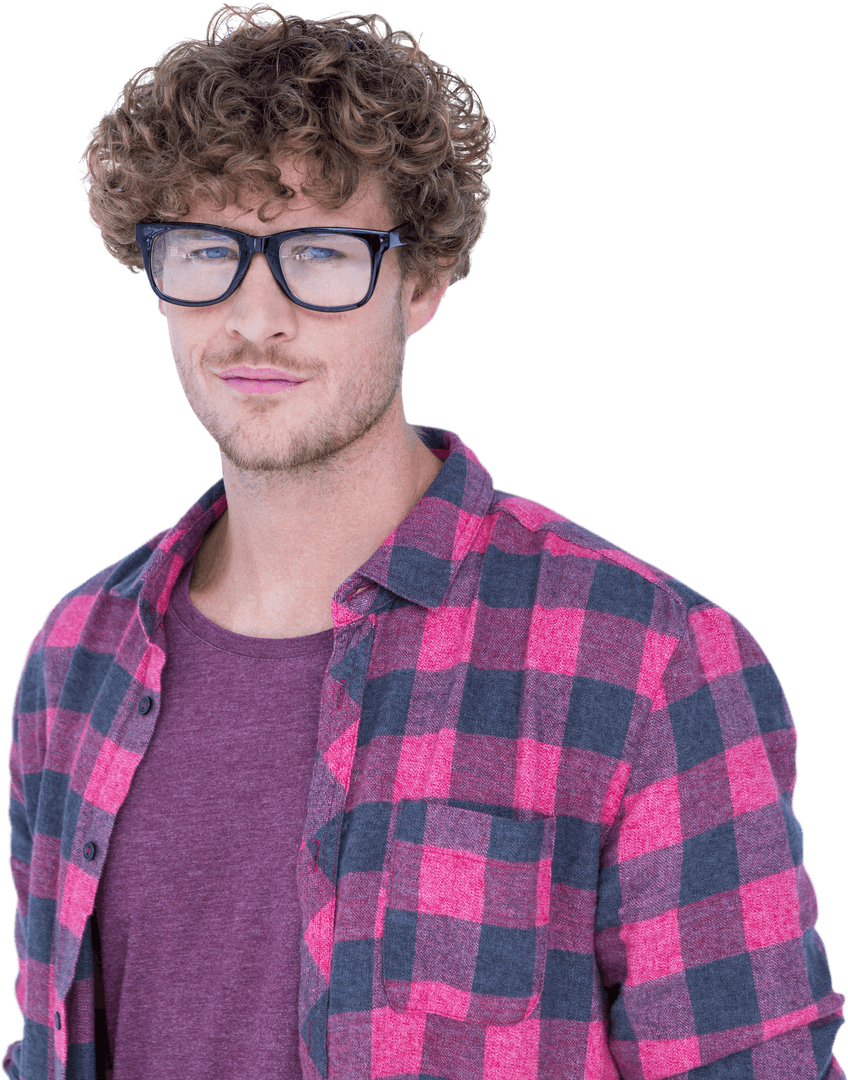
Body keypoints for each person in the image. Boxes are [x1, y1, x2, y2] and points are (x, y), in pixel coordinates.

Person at [4, 5, 844, 1079]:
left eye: (316, 253)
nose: (254, 317)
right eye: (208, 250)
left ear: (425, 281)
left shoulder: (646, 664)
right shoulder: (75, 660)